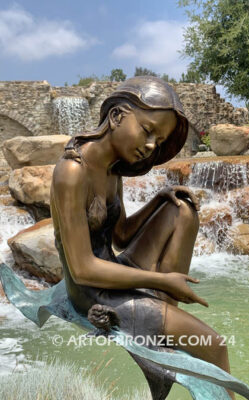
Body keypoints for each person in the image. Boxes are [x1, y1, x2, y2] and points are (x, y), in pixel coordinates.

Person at [50, 76, 234, 399]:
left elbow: (120, 236)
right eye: (148, 131)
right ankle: (159, 325)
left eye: (158, 141)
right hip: (92, 294)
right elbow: (81, 269)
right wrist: (162, 281)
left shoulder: (111, 168)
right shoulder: (72, 171)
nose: (151, 146)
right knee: (215, 346)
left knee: (182, 210)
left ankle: (158, 328)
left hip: (113, 273)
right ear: (117, 116)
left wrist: (158, 201)